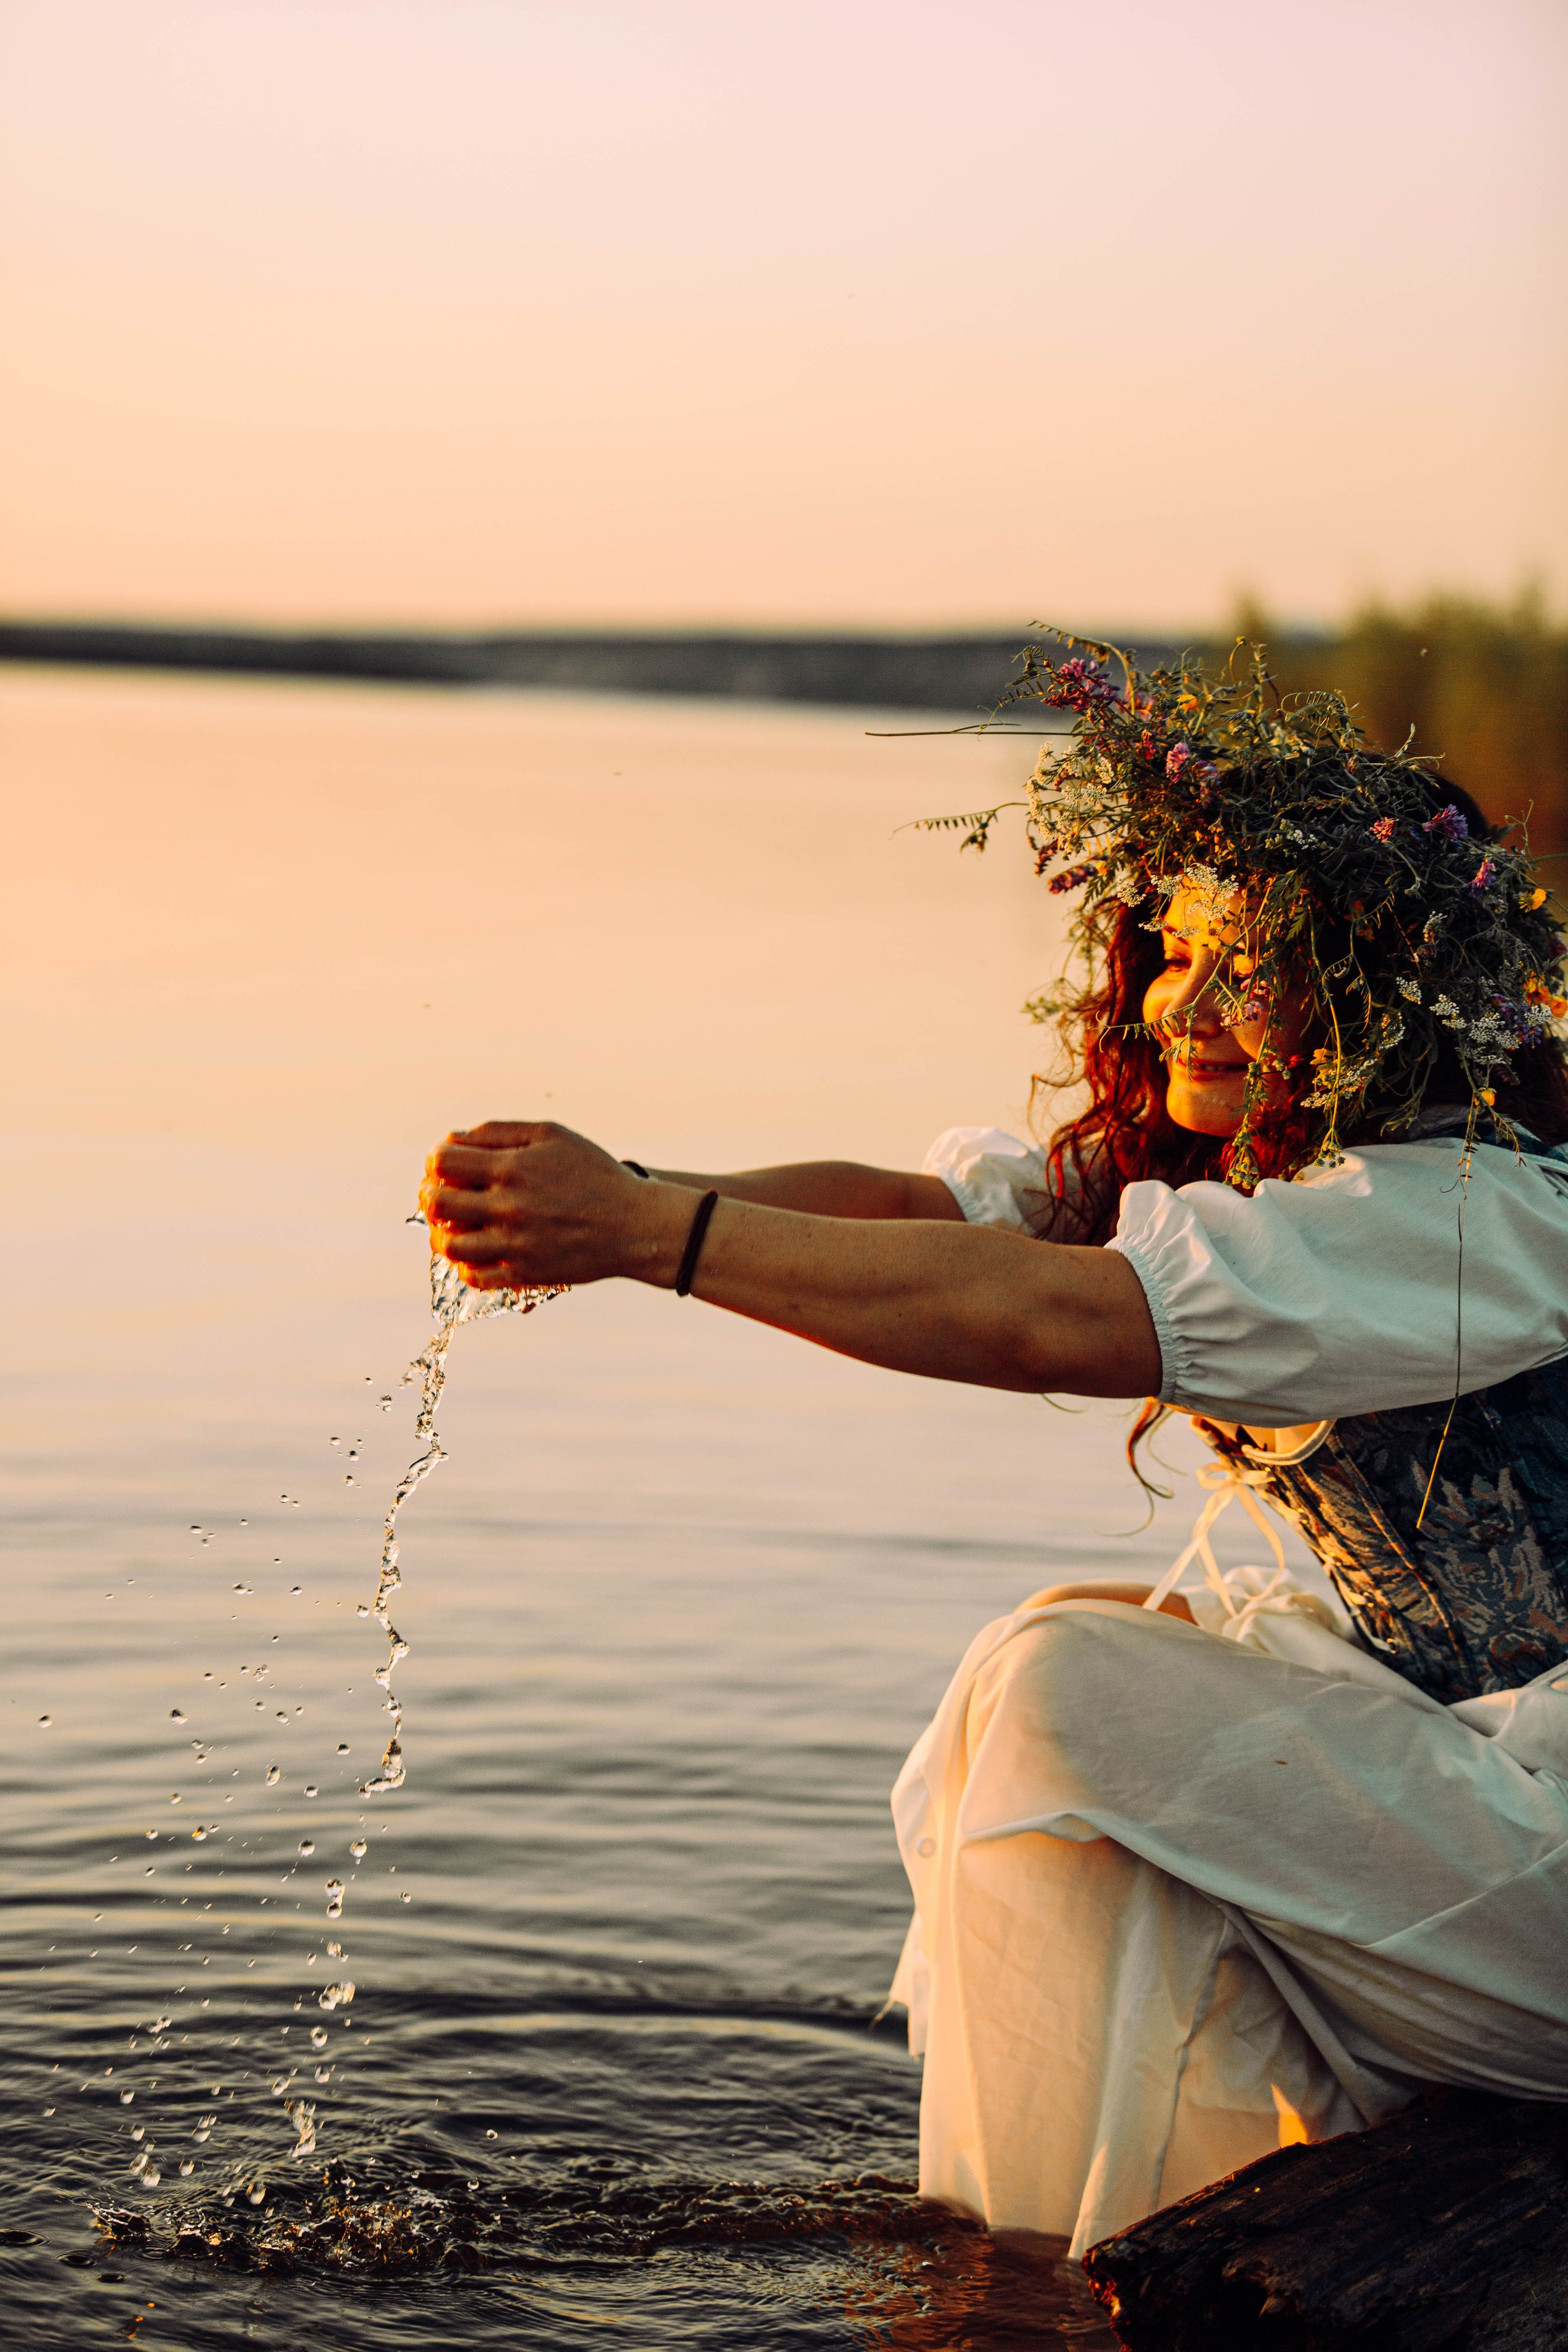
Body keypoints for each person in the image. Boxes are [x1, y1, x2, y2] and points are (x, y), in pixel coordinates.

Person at [421, 641, 1568, 2256]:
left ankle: (1018, 2274)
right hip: (1497, 1818)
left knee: (1070, 1700)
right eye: (1180, 954)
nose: (1188, 1001)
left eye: (1255, 965)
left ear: (1381, 994)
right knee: (1045, 1669)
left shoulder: (1490, 1210)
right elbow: (938, 1217)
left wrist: (654, 1236)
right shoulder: (1298, 1180)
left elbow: (1043, 1319)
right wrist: (617, 1190)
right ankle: (1065, 2237)